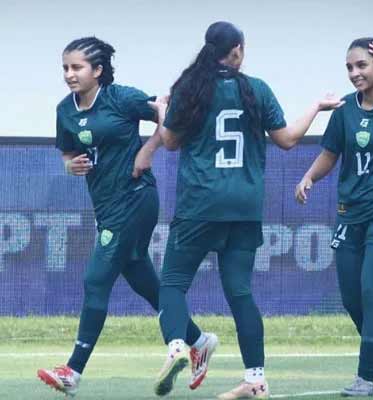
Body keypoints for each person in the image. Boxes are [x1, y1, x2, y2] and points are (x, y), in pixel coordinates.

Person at [150, 21, 343, 399]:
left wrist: (160, 110)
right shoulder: (256, 89)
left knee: (172, 284)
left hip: (200, 204)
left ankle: (178, 345)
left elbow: (169, 142)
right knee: (240, 293)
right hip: (244, 205)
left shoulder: (190, 88)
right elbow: (287, 139)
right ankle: (256, 378)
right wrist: (317, 107)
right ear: (237, 50)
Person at [37, 37, 212, 397]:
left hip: (135, 197)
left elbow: (170, 113)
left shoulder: (121, 97)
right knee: (144, 281)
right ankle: (199, 340)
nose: (70, 74)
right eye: (66, 68)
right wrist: (73, 166)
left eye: (77, 67)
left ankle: (73, 371)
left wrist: (148, 149)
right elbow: (69, 153)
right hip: (105, 204)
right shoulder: (64, 110)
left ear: (98, 70)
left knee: (96, 279)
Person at [295, 37, 373, 396]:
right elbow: (332, 153)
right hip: (351, 211)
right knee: (351, 296)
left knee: (372, 288)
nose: (354, 73)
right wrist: (309, 176)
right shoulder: (346, 109)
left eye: (361, 65)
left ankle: (365, 376)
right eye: (349, 67)